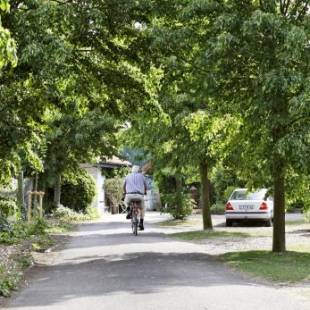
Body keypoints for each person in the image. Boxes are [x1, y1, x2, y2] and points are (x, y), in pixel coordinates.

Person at [123, 165, 147, 230]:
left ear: (132, 170)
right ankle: (141, 223)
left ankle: (128, 210)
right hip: (139, 195)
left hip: (129, 195)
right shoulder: (142, 176)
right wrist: (145, 192)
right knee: (142, 209)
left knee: (125, 202)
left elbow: (124, 186)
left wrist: (125, 192)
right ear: (138, 170)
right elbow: (145, 186)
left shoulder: (127, 176)